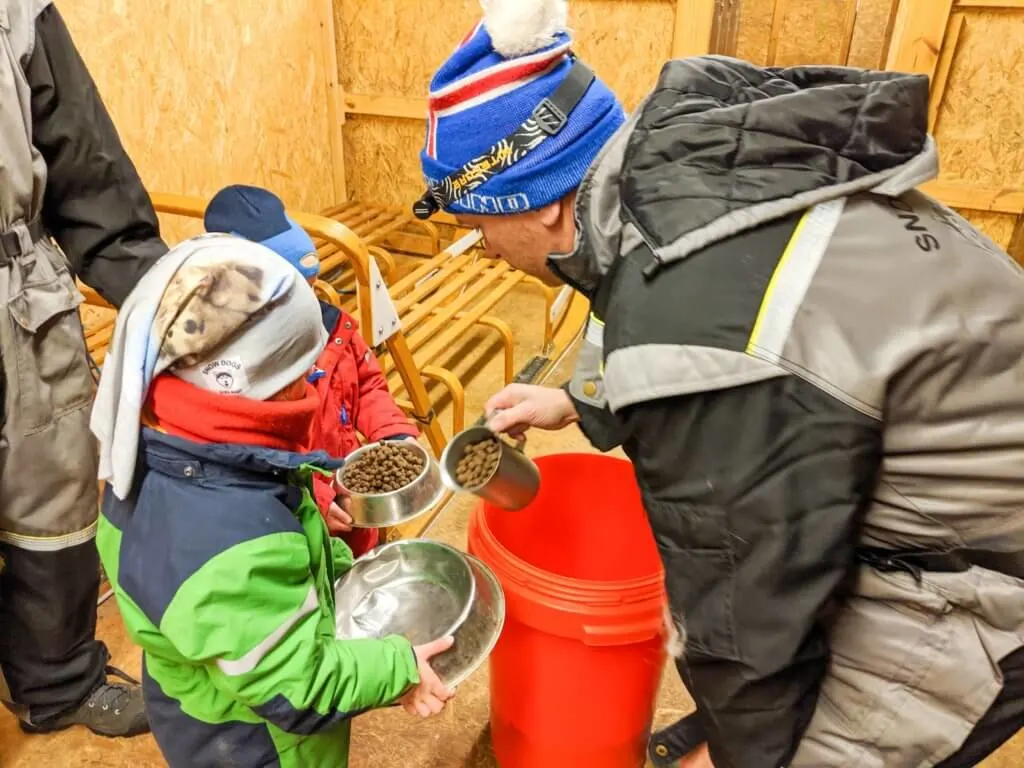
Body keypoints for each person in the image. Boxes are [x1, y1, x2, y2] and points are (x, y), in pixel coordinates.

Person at [414, 1, 1024, 766]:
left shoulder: (696, 326)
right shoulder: (686, 174)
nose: (481, 249)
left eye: (475, 225)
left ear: (533, 202)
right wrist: (579, 401)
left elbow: (748, 625)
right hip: (925, 466)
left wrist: (744, 750)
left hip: (979, 569)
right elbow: (777, 359)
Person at [90, 234, 454, 767]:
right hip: (254, 743)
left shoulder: (162, 447)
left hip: (202, 699)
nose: (312, 383)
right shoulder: (230, 543)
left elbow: (249, 597)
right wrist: (398, 668)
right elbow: (300, 690)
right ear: (245, 383)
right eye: (297, 372)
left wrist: (333, 567)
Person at [0, 0, 168, 737]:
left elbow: (88, 175)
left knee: (54, 488)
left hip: (17, 294)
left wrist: (179, 307)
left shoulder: (16, 11)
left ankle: (60, 678)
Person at [203, 184, 420, 557]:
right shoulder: (227, 367)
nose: (308, 304)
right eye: (290, 293)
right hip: (293, 526)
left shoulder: (336, 328)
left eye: (312, 288)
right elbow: (243, 457)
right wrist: (316, 497)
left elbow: (368, 386)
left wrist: (395, 434)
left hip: (351, 505)